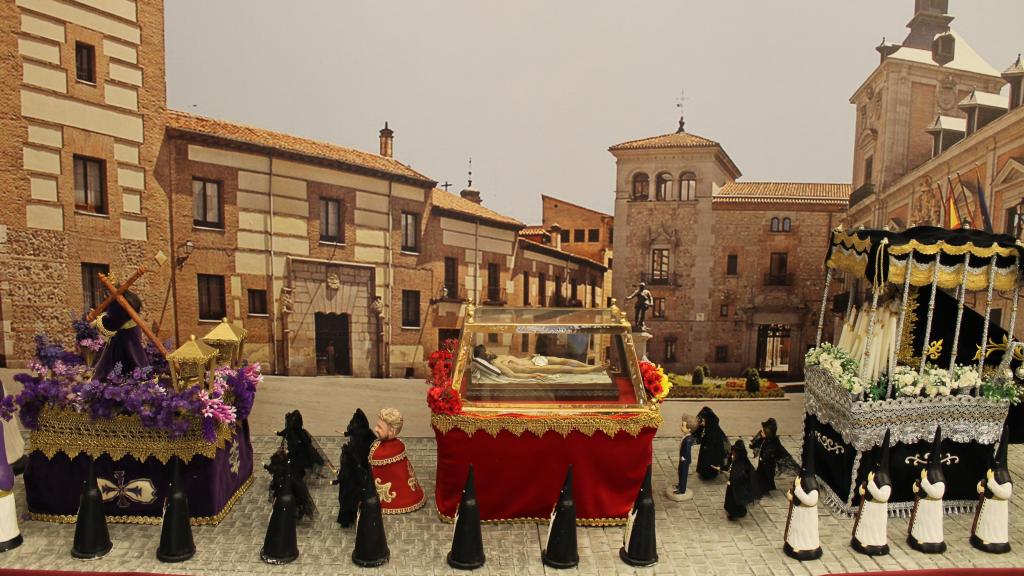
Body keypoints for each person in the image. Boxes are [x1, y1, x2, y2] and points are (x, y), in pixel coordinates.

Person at [368, 408, 425, 514]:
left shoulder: (381, 454)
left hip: (394, 499)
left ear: (391, 432)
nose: (375, 429)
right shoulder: (395, 446)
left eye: (380, 427)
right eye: (377, 425)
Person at [91, 290, 149, 382]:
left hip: (125, 337)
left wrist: (97, 322)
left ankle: (129, 381)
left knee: (128, 358)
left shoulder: (119, 301)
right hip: (131, 332)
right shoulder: (125, 299)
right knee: (134, 356)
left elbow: (113, 323)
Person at [970, 425, 1011, 554]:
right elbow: (984, 486)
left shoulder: (1003, 477)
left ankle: (995, 540)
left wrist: (992, 482)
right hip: (988, 506)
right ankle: (981, 537)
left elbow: (1006, 493)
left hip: (997, 509)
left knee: (994, 525)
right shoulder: (991, 472)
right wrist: (981, 486)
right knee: (985, 524)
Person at [851, 429, 893, 556]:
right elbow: (865, 489)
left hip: (877, 511)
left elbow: (883, 495)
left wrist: (871, 485)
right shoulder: (873, 474)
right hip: (868, 508)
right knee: (866, 525)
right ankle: (862, 539)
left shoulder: (885, 480)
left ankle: (874, 542)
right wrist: (863, 489)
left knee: (874, 527)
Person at [907, 427, 946, 554]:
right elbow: (921, 488)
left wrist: (924, 481)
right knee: (922, 524)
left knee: (930, 525)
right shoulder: (927, 473)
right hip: (924, 505)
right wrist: (917, 486)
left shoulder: (938, 478)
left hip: (932, 508)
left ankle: (931, 539)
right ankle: (918, 537)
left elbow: (937, 493)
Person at [784, 433, 822, 561]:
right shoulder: (802, 478)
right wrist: (791, 496)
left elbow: (811, 500)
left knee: (805, 532)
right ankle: (794, 544)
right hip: (799, 514)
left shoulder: (811, 483)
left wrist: (799, 489)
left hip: (806, 516)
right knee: (797, 531)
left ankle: (806, 546)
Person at [750, 417, 793, 495]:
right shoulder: (765, 439)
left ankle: (764, 490)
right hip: (763, 463)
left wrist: (764, 457)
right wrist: (754, 443)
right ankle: (761, 488)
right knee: (760, 475)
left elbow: (772, 452)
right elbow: (756, 442)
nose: (761, 432)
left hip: (768, 465)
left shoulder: (773, 442)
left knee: (765, 477)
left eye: (763, 431)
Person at [722, 440, 759, 520]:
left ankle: (734, 513)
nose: (732, 456)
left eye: (733, 455)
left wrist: (731, 482)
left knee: (735, 500)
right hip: (732, 485)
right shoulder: (737, 461)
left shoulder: (741, 465)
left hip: (737, 487)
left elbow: (741, 477)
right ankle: (733, 511)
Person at [693, 406, 728, 481]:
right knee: (704, 459)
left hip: (712, 454)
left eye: (703, 421)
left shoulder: (714, 432)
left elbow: (717, 449)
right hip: (707, 449)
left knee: (708, 461)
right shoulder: (709, 428)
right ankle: (703, 472)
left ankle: (709, 475)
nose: (702, 423)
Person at [666, 414, 696, 501]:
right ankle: (680, 485)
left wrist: (684, 458)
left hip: (684, 459)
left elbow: (687, 450)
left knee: (683, 473)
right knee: (680, 471)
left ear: (689, 429)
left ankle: (682, 489)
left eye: (683, 425)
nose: (681, 427)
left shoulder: (688, 439)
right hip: (682, 458)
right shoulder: (686, 437)